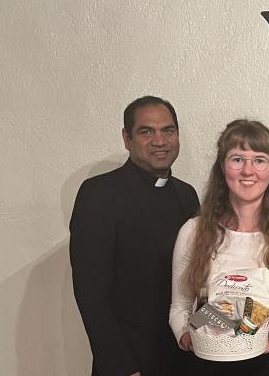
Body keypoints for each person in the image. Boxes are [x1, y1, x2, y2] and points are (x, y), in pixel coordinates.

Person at [169, 119, 269, 375]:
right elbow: (180, 308)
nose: (248, 171)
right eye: (237, 159)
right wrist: (189, 338)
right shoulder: (193, 231)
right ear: (222, 167)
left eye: (259, 160)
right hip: (207, 363)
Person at [70, 95, 200, 376]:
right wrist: (122, 367)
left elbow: (199, 281)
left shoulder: (187, 195)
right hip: (130, 360)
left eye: (168, 130)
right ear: (126, 138)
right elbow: (91, 294)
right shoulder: (99, 194)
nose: (160, 141)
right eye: (146, 131)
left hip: (184, 355)